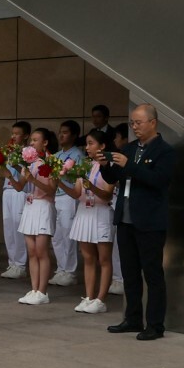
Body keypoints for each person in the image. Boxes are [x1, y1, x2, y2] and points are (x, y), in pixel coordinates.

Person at [100, 104, 176, 340]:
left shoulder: (165, 151)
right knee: (129, 272)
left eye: (138, 122)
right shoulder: (130, 148)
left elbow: (158, 180)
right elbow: (114, 177)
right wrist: (105, 166)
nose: (134, 127)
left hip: (149, 220)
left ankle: (155, 324)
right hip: (125, 218)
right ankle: (132, 318)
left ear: (153, 123)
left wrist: (129, 165)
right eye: (132, 122)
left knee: (152, 274)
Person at [67, 128, 116, 313]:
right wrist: (62, 181)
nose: (87, 148)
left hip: (101, 212)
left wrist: (91, 187)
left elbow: (107, 194)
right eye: (86, 144)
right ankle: (88, 296)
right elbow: (77, 192)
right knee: (88, 257)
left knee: (103, 258)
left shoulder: (109, 165)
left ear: (102, 146)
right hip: (84, 212)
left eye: (91, 144)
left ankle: (101, 299)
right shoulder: (85, 164)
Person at [12, 127, 59, 305]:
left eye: (35, 140)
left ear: (45, 142)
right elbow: (19, 186)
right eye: (31, 140)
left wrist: (33, 179)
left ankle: (42, 291)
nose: (31, 143)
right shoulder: (31, 163)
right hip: (30, 206)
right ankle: (33, 289)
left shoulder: (51, 161)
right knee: (31, 251)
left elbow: (52, 189)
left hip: (43, 206)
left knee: (41, 251)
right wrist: (10, 172)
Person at [49, 120, 84, 287]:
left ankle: (70, 271)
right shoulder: (56, 156)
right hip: (56, 196)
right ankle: (61, 268)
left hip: (69, 196)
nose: (61, 135)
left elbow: (78, 178)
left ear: (74, 135)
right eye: (60, 132)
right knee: (57, 236)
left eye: (65, 132)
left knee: (68, 234)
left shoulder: (77, 155)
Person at [0, 121, 32, 279]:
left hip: (20, 190)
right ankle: (12, 262)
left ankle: (20, 264)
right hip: (8, 188)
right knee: (8, 227)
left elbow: (26, 173)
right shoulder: (10, 150)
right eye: (12, 133)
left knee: (18, 226)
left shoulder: (28, 152)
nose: (13, 136)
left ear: (25, 135)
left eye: (17, 134)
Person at [108, 123, 129, 296]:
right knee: (116, 245)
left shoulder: (127, 157)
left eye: (117, 137)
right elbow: (109, 177)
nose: (115, 140)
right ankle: (117, 278)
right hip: (117, 204)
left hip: (124, 203)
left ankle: (122, 279)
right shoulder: (116, 158)